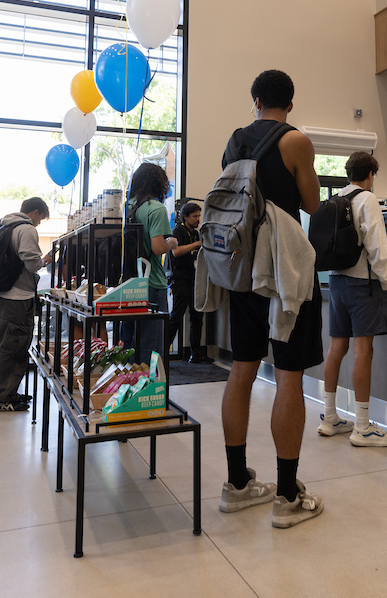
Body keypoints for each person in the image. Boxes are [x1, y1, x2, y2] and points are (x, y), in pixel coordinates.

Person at [217, 69, 325, 529]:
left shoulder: (235, 140)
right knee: (288, 376)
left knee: (241, 370)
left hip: (242, 270)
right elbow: (312, 204)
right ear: (290, 104)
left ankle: (237, 483)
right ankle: (287, 495)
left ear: (256, 100)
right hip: (284, 269)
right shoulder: (296, 141)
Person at [317, 152, 387, 447]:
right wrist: (386, 280)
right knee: (363, 350)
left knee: (336, 348)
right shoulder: (367, 199)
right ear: (371, 174)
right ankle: (362, 427)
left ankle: (329, 417)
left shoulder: (335, 199)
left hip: (336, 282)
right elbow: (377, 245)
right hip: (363, 283)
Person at [0, 197, 49, 412]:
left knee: (2, 348)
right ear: (35, 212)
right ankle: (3, 399)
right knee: (14, 348)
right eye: (40, 218)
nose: (38, 224)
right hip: (18, 298)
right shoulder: (26, 229)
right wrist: (45, 260)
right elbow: (32, 264)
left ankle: (7, 392)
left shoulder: (4, 225)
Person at [119, 163, 173, 367]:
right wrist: (172, 243)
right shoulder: (156, 208)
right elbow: (158, 247)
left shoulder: (128, 206)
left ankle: (126, 382)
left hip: (129, 282)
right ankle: (147, 386)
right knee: (151, 344)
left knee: (128, 342)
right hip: (152, 282)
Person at [168, 201, 208, 363]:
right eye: (194, 216)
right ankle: (163, 353)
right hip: (181, 279)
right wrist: (196, 244)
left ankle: (196, 353)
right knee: (176, 317)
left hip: (195, 279)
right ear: (185, 217)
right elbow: (176, 252)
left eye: (199, 216)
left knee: (197, 317)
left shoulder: (196, 233)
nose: (198, 219)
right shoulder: (177, 231)